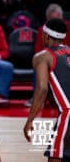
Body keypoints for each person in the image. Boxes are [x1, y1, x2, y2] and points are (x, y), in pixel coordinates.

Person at [23, 18, 70, 162]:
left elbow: (42, 89)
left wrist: (30, 120)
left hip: (68, 112)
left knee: (55, 157)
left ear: (46, 36)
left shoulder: (43, 57)